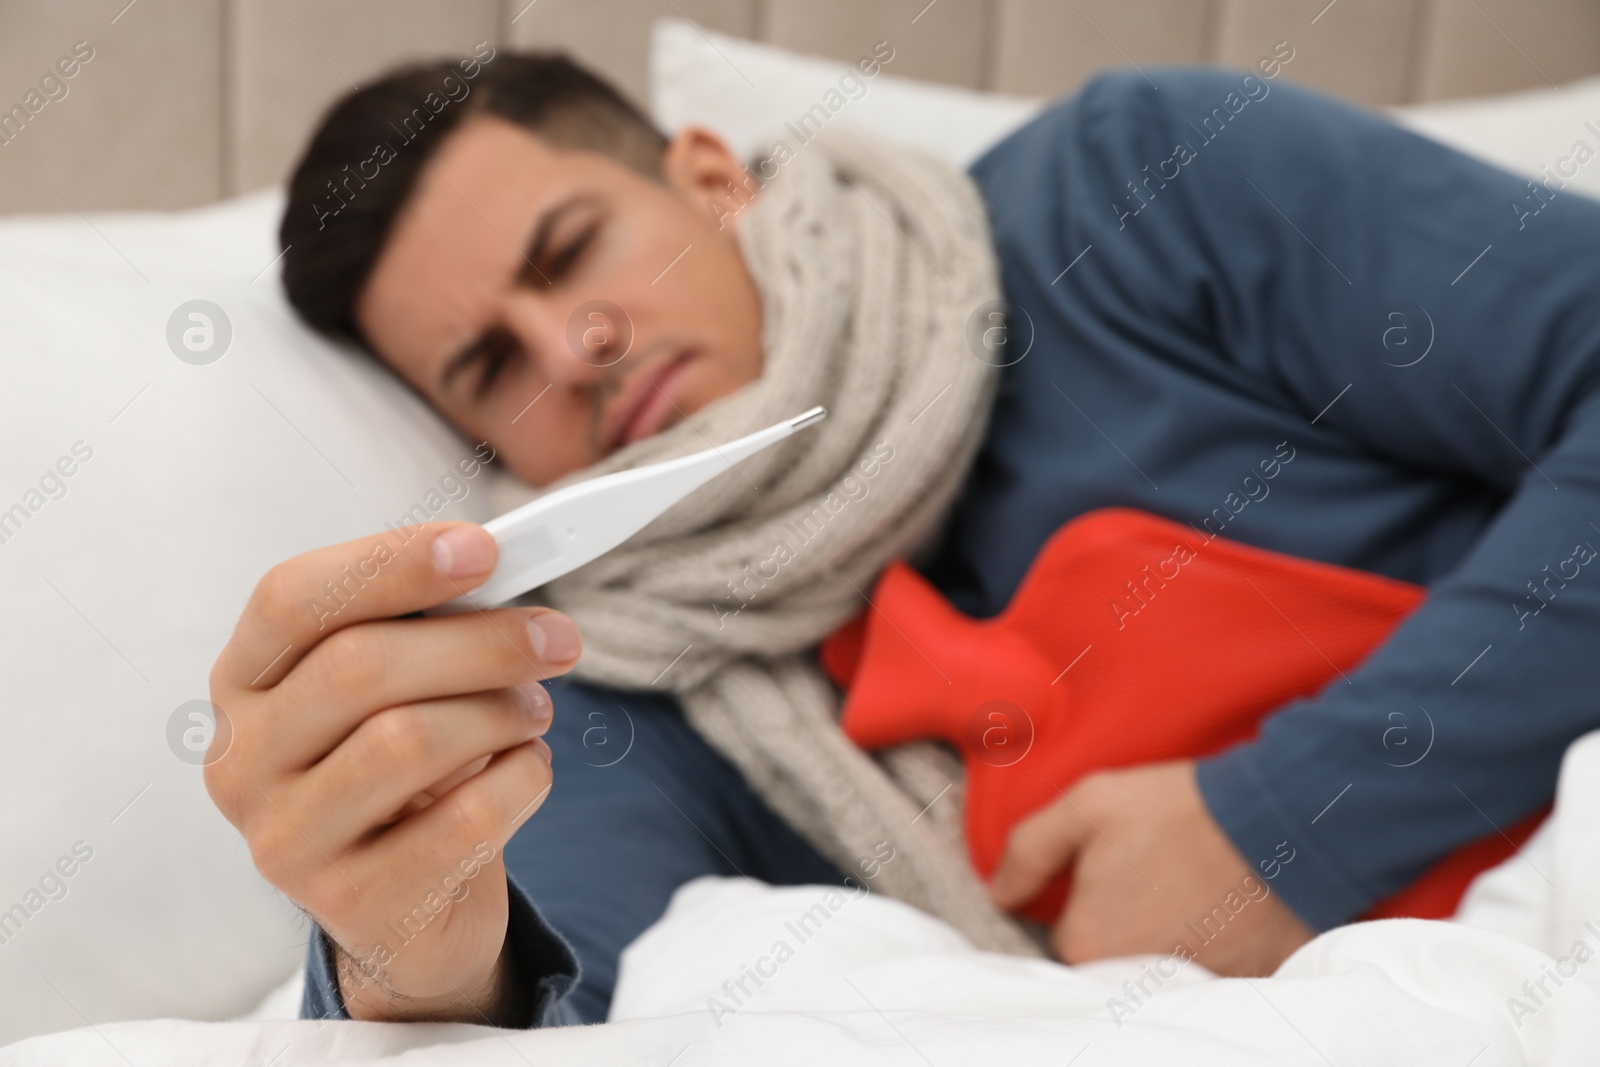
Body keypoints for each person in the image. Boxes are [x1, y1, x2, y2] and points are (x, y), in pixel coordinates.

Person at [202, 47, 1600, 1029]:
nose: (575, 349)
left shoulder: (1143, 186)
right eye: (489, 370)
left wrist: (1284, 828)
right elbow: (542, 975)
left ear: (712, 177)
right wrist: (403, 946)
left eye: (571, 251)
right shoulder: (611, 672)